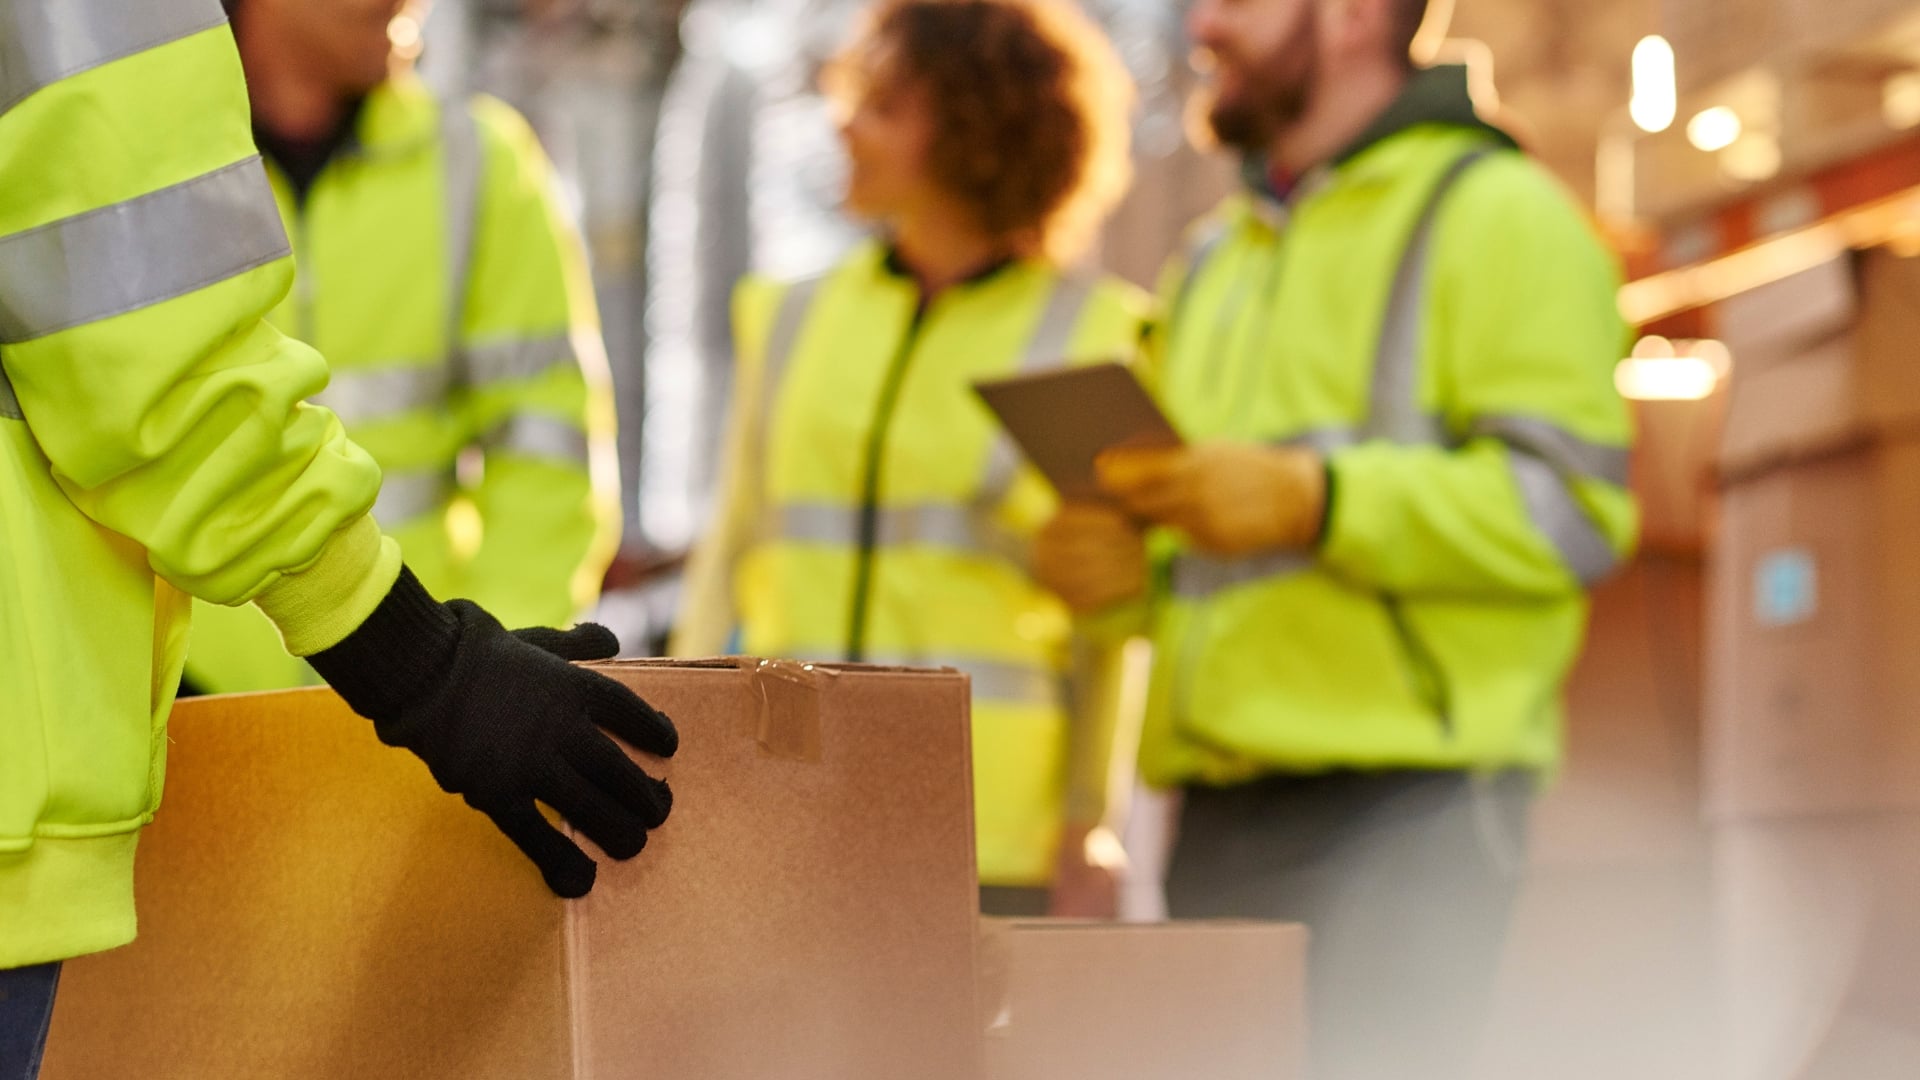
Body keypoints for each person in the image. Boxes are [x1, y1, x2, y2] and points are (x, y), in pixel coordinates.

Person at [0, 5, 674, 1077]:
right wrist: (423, 665)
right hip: (203, 724)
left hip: (391, 739)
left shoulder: (475, 162)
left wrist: (472, 659)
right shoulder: (123, 96)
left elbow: (545, 457)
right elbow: (167, 387)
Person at [1031, 0, 1637, 1074]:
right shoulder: (1214, 259)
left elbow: (1573, 517)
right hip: (1219, 806)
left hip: (1411, 815)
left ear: (1357, 14)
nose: (1203, 24)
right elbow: (1211, 531)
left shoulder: (1505, 216)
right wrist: (1129, 573)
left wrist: (1324, 502)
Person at [672, 0, 1146, 916]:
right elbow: (727, 554)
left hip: (987, 831)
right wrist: (680, 756)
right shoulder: (786, 317)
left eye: (885, 106)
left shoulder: (1096, 335)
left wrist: (1092, 817)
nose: (845, 124)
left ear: (977, 130)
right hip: (786, 812)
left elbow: (1110, 626)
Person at [182, 0, 620, 694]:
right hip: (182, 705)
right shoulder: (156, 178)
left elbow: (547, 457)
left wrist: (483, 672)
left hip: (424, 704)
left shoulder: (483, 165)